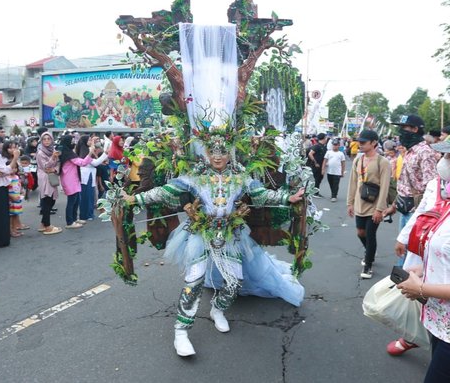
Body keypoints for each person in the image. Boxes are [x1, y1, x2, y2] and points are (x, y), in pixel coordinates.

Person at [122, 130, 306, 357]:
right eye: (212, 151)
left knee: (235, 283)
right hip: (201, 232)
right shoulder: (195, 176)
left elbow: (261, 193)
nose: (217, 156)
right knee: (194, 280)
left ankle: (217, 310)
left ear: (230, 154)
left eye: (223, 152)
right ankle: (181, 332)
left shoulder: (241, 177)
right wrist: (136, 198)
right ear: (207, 153)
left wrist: (288, 198)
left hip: (230, 234)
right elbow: (166, 191)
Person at [395, 147, 450, 381]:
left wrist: (420, 288)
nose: (442, 161)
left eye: (448, 156)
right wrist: (424, 268)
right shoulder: (444, 198)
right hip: (438, 318)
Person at [384, 115, 437, 248]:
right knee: (402, 252)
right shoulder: (410, 151)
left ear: (414, 129)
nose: (401, 132)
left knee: (410, 256)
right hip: (405, 208)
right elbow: (405, 184)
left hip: (416, 213)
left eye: (404, 128)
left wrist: (423, 219)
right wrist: (394, 205)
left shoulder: (425, 152)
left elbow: (431, 189)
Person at [347, 129, 391, 279]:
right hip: (360, 204)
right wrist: (350, 202)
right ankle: (370, 251)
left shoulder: (383, 162)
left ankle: (368, 264)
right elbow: (353, 182)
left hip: (375, 206)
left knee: (370, 234)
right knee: (360, 232)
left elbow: (385, 186)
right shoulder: (358, 160)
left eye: (363, 142)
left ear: (374, 143)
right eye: (359, 142)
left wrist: (380, 209)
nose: (360, 145)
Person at [59, 134, 97, 229]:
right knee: (71, 201)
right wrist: (90, 153)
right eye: (72, 141)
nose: (74, 143)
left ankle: (74, 219)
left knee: (76, 200)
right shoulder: (67, 154)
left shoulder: (67, 152)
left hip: (73, 179)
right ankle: (69, 222)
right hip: (69, 180)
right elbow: (82, 163)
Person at [76, 136, 108, 221]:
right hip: (86, 177)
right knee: (87, 197)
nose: (91, 141)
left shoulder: (86, 151)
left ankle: (87, 214)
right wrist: (105, 154)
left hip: (88, 176)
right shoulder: (86, 152)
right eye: (89, 140)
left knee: (88, 196)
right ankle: (87, 215)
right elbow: (96, 163)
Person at [36, 132, 62, 235]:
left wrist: (55, 170)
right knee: (46, 200)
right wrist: (53, 158)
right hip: (44, 178)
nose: (46, 141)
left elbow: (58, 164)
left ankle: (43, 224)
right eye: (44, 139)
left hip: (52, 177)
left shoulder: (53, 151)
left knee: (51, 200)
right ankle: (47, 226)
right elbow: (45, 166)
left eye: (48, 139)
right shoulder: (40, 153)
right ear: (41, 141)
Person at [1, 141, 28, 237]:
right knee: (11, 213)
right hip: (11, 196)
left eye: (15, 147)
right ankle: (12, 229)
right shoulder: (4, 159)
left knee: (15, 212)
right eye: (11, 147)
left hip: (16, 194)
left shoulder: (15, 159)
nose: (13, 150)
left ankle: (17, 226)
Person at [307, 133, 327, 198]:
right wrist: (315, 162)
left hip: (321, 165)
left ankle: (316, 192)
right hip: (316, 165)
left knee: (320, 178)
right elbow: (310, 154)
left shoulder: (323, 146)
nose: (326, 139)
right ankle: (315, 193)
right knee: (317, 179)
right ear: (323, 138)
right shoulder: (317, 146)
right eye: (325, 137)